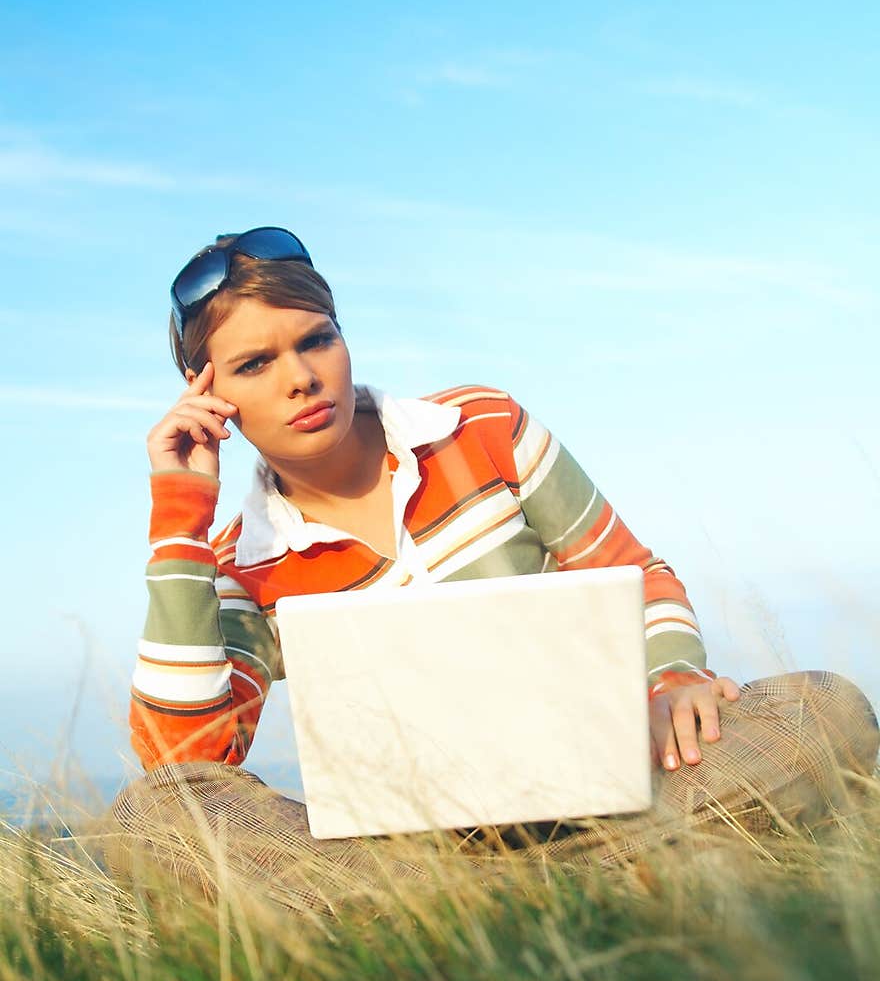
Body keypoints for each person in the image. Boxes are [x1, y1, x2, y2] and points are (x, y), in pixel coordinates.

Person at [103, 227, 879, 915]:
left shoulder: (482, 425)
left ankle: (474, 913)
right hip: (406, 856)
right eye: (255, 363)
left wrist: (671, 679)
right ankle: (586, 891)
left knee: (824, 709)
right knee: (154, 816)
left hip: (616, 800)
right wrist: (181, 517)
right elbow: (185, 761)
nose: (301, 377)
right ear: (213, 399)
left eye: (317, 340)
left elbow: (635, 571)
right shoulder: (243, 561)